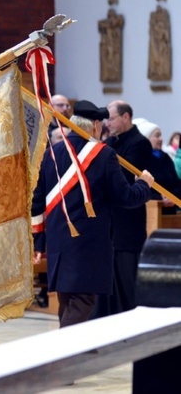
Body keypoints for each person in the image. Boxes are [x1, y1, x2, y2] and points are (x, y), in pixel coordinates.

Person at [32, 100, 153, 327]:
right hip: (88, 243)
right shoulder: (104, 154)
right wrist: (144, 185)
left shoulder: (52, 152)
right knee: (82, 302)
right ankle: (65, 353)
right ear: (95, 125)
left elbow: (37, 201)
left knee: (68, 301)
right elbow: (125, 197)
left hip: (59, 241)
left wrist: (38, 241)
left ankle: (76, 355)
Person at [93, 100, 153, 317]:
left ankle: (129, 316)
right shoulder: (109, 143)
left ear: (125, 117)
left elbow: (127, 177)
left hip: (129, 220)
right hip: (110, 221)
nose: (108, 123)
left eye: (111, 118)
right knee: (109, 276)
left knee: (126, 274)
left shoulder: (140, 143)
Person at [133, 118, 181, 215]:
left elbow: (176, 184)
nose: (161, 139)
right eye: (157, 136)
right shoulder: (139, 158)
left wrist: (172, 196)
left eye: (161, 135)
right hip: (148, 212)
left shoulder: (165, 158)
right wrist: (160, 199)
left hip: (170, 212)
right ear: (145, 138)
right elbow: (137, 186)